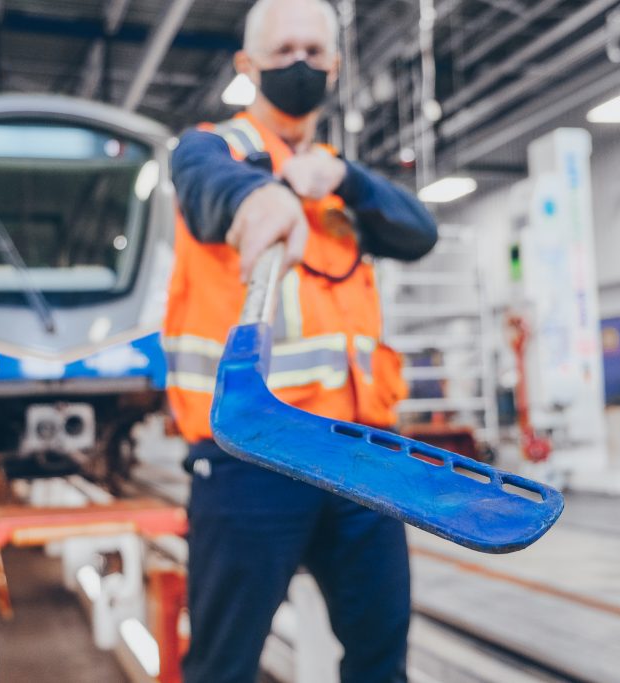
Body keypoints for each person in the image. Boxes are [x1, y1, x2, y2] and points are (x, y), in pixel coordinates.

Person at [162, 1, 438, 681]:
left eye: (314, 52)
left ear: (336, 65)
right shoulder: (214, 148)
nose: (300, 65)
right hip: (253, 452)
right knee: (223, 664)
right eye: (283, 51)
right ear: (247, 65)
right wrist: (256, 199)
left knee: (381, 658)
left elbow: (418, 231)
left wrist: (347, 178)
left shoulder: (339, 179)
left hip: (360, 456)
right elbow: (201, 182)